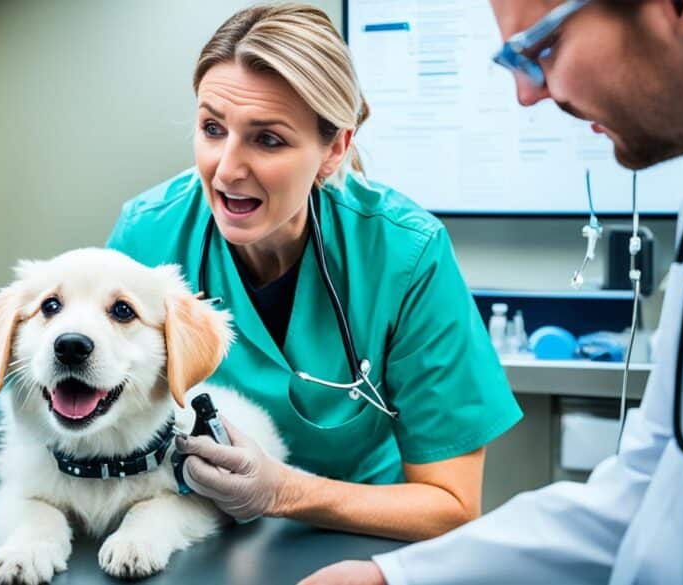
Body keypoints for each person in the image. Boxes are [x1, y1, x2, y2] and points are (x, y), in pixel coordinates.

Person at [301, 0, 683, 582]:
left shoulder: (405, 245)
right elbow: (645, 483)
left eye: (542, 48)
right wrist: (392, 578)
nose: (527, 94)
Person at [106, 3, 522, 540]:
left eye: (268, 139)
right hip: (196, 531)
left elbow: (452, 504)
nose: (227, 169)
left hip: (358, 538)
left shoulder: (405, 253)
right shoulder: (148, 236)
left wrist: (281, 491)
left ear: (335, 150)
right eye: (213, 128)